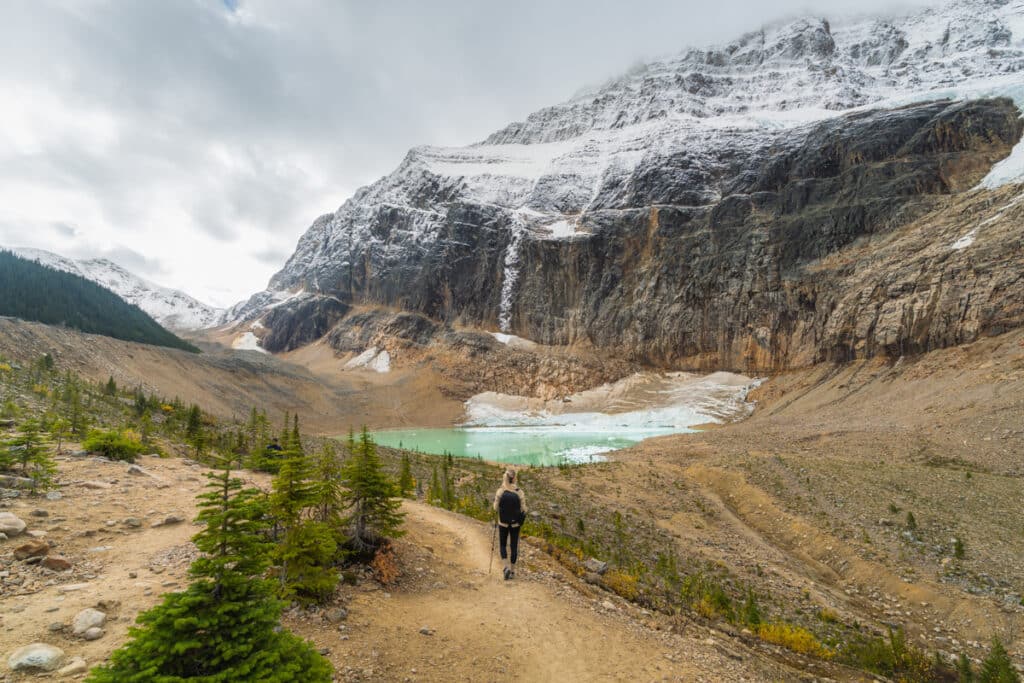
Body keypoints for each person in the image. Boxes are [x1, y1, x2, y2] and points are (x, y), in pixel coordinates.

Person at [493, 468, 527, 580]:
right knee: (514, 546)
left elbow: (495, 508)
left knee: (502, 545)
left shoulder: (500, 491)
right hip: (515, 524)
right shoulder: (519, 492)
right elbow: (524, 509)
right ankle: (512, 571)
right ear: (514, 478)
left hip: (502, 522)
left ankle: (505, 567)